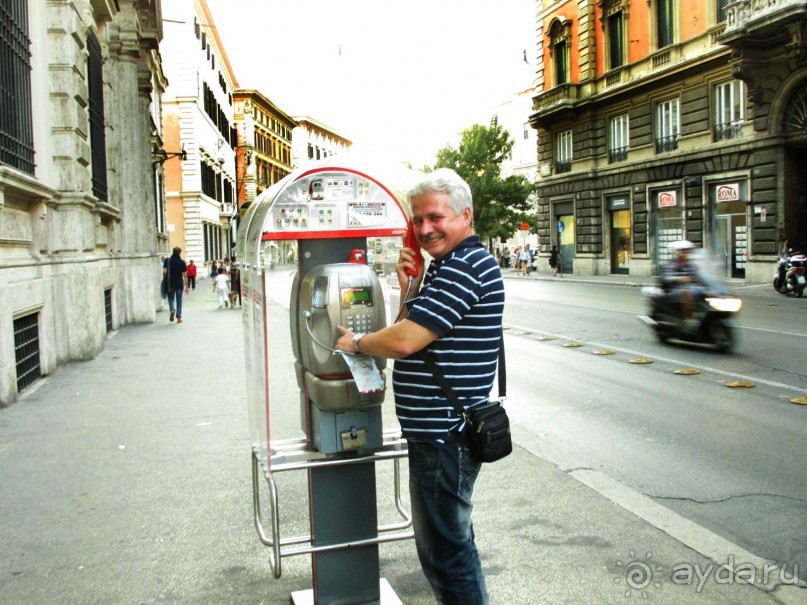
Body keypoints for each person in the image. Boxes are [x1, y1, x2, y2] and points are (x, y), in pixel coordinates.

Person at [335, 168, 502, 604]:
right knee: (449, 544)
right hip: (439, 435)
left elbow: (405, 340)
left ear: (466, 215)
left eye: (435, 217)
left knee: (446, 554)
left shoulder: (466, 265)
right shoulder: (446, 267)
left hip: (445, 436)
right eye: (417, 220)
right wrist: (409, 284)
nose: (425, 229)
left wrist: (356, 342)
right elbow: (415, 329)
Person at [661, 240, 703, 323]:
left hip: (689, 287)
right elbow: (667, 277)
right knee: (686, 292)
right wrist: (679, 278)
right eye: (683, 252)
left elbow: (698, 275)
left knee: (705, 292)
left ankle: (701, 315)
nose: (685, 254)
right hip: (674, 289)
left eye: (687, 252)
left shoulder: (690, 264)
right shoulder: (672, 264)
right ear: (678, 253)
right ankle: (689, 319)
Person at [163, 247, 188, 323]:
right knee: (179, 300)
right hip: (179, 284)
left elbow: (164, 272)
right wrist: (187, 286)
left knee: (170, 298)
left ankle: (172, 309)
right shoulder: (182, 262)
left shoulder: (168, 261)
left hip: (170, 284)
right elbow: (184, 275)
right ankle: (179, 317)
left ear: (173, 252)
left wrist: (164, 280)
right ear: (179, 253)